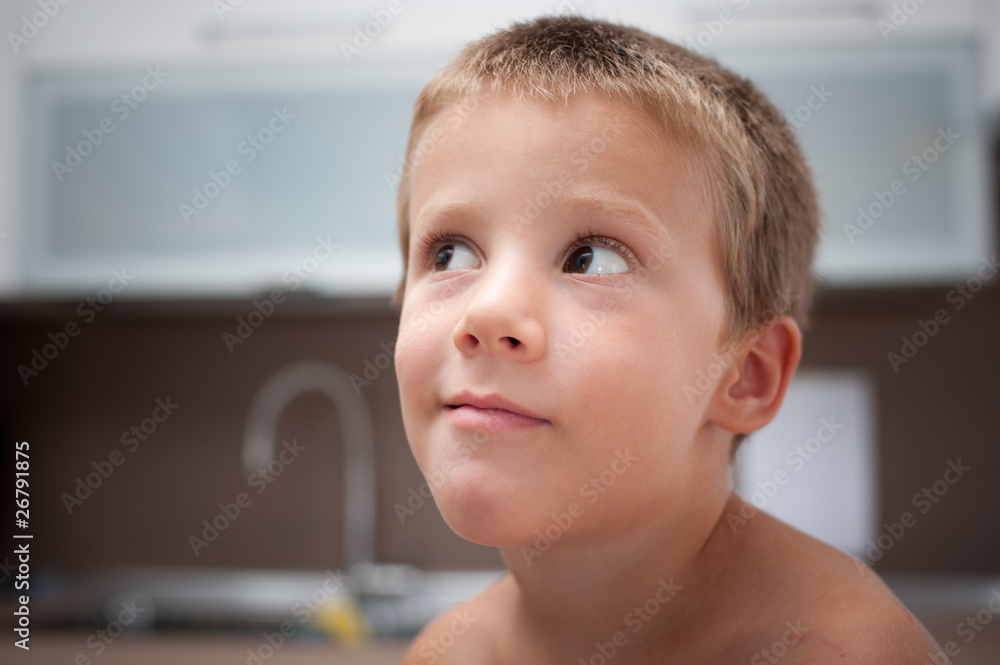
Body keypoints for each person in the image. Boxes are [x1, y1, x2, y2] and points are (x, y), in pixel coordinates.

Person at [391, 15, 948, 663]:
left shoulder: (847, 651)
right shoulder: (445, 654)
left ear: (745, 375)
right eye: (452, 253)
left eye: (590, 257)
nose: (487, 314)